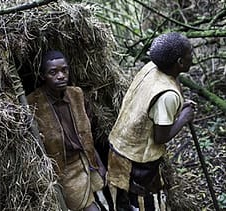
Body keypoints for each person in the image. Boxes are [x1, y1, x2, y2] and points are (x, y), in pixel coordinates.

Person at [107, 32, 195, 211]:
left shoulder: (151, 68)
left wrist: (177, 109)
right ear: (179, 62)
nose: (193, 57)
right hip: (137, 162)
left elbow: (150, 106)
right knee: (140, 204)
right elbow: (160, 137)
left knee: (124, 200)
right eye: (190, 54)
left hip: (119, 146)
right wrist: (183, 118)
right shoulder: (167, 95)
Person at [27, 50, 107, 211]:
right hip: (64, 170)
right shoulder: (33, 103)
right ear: (43, 76)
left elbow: (86, 134)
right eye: (53, 72)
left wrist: (98, 162)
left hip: (86, 161)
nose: (61, 76)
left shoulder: (76, 94)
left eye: (64, 70)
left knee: (98, 198)